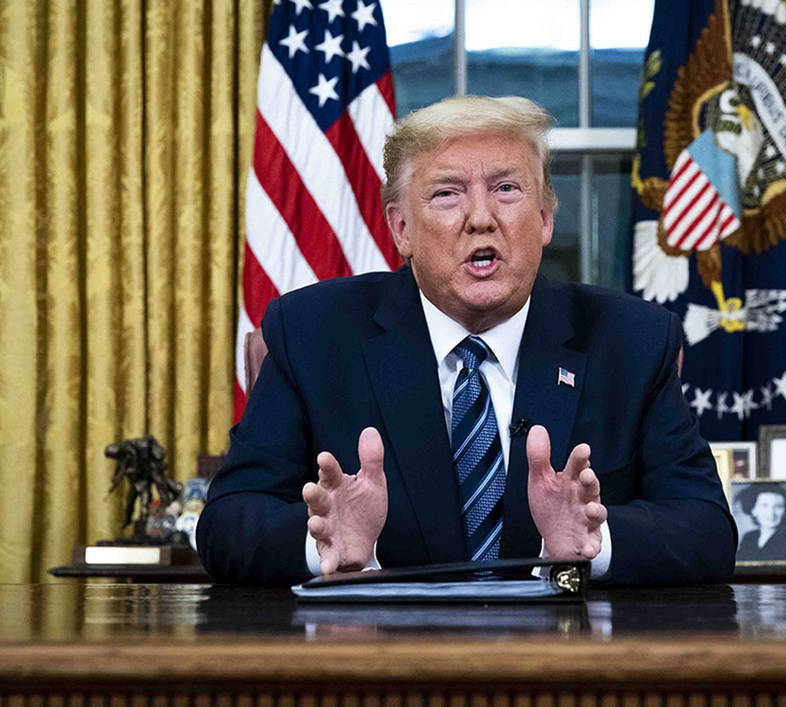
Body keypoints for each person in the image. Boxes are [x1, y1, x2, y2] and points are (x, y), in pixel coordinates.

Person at [196, 95, 736, 586]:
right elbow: (227, 522)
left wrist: (595, 543)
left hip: (567, 665)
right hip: (382, 664)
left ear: (545, 218)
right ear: (401, 228)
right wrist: (323, 543)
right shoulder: (313, 333)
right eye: (447, 194)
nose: (481, 219)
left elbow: (707, 529)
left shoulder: (632, 341)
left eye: (506, 189)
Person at [735, 484, 786, 562]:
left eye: (778, 506)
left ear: (785, 510)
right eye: (764, 506)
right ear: (753, 510)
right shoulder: (749, 538)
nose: (771, 513)